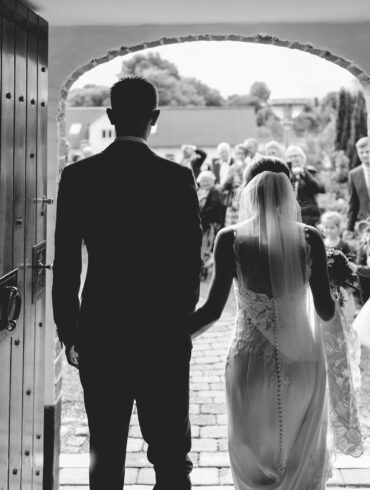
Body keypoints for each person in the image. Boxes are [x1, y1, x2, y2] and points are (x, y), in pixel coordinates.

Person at [52, 76, 202, 490]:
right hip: (163, 335)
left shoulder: (79, 177)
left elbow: (65, 263)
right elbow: (191, 264)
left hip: (102, 330)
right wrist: (177, 326)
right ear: (154, 118)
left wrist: (70, 329)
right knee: (171, 455)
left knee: (105, 451)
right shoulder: (176, 177)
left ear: (111, 116)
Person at [185, 157, 362, 489]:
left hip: (249, 363)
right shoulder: (310, 238)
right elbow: (325, 312)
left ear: (249, 191)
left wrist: (170, 334)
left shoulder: (229, 239)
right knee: (299, 459)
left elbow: (210, 311)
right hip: (303, 364)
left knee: (253, 457)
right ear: (288, 191)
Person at [286, 145, 325, 226]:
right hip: (290, 216)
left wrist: (303, 172)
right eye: (290, 156)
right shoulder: (285, 175)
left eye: (296, 155)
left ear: (302, 157)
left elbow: (319, 188)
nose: (293, 158)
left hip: (309, 216)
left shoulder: (310, 172)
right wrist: (292, 175)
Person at [197, 171, 224, 280]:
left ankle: (204, 271)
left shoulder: (215, 191)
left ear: (212, 181)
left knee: (206, 247)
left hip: (210, 224)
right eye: (203, 181)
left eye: (207, 181)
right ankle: (202, 270)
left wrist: (200, 212)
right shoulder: (199, 191)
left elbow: (214, 208)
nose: (205, 183)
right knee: (202, 247)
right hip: (201, 223)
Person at [347, 136, 370, 233]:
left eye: (368, 151)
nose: (364, 155)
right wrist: (349, 228)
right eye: (361, 152)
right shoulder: (354, 174)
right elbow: (353, 203)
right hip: (365, 225)